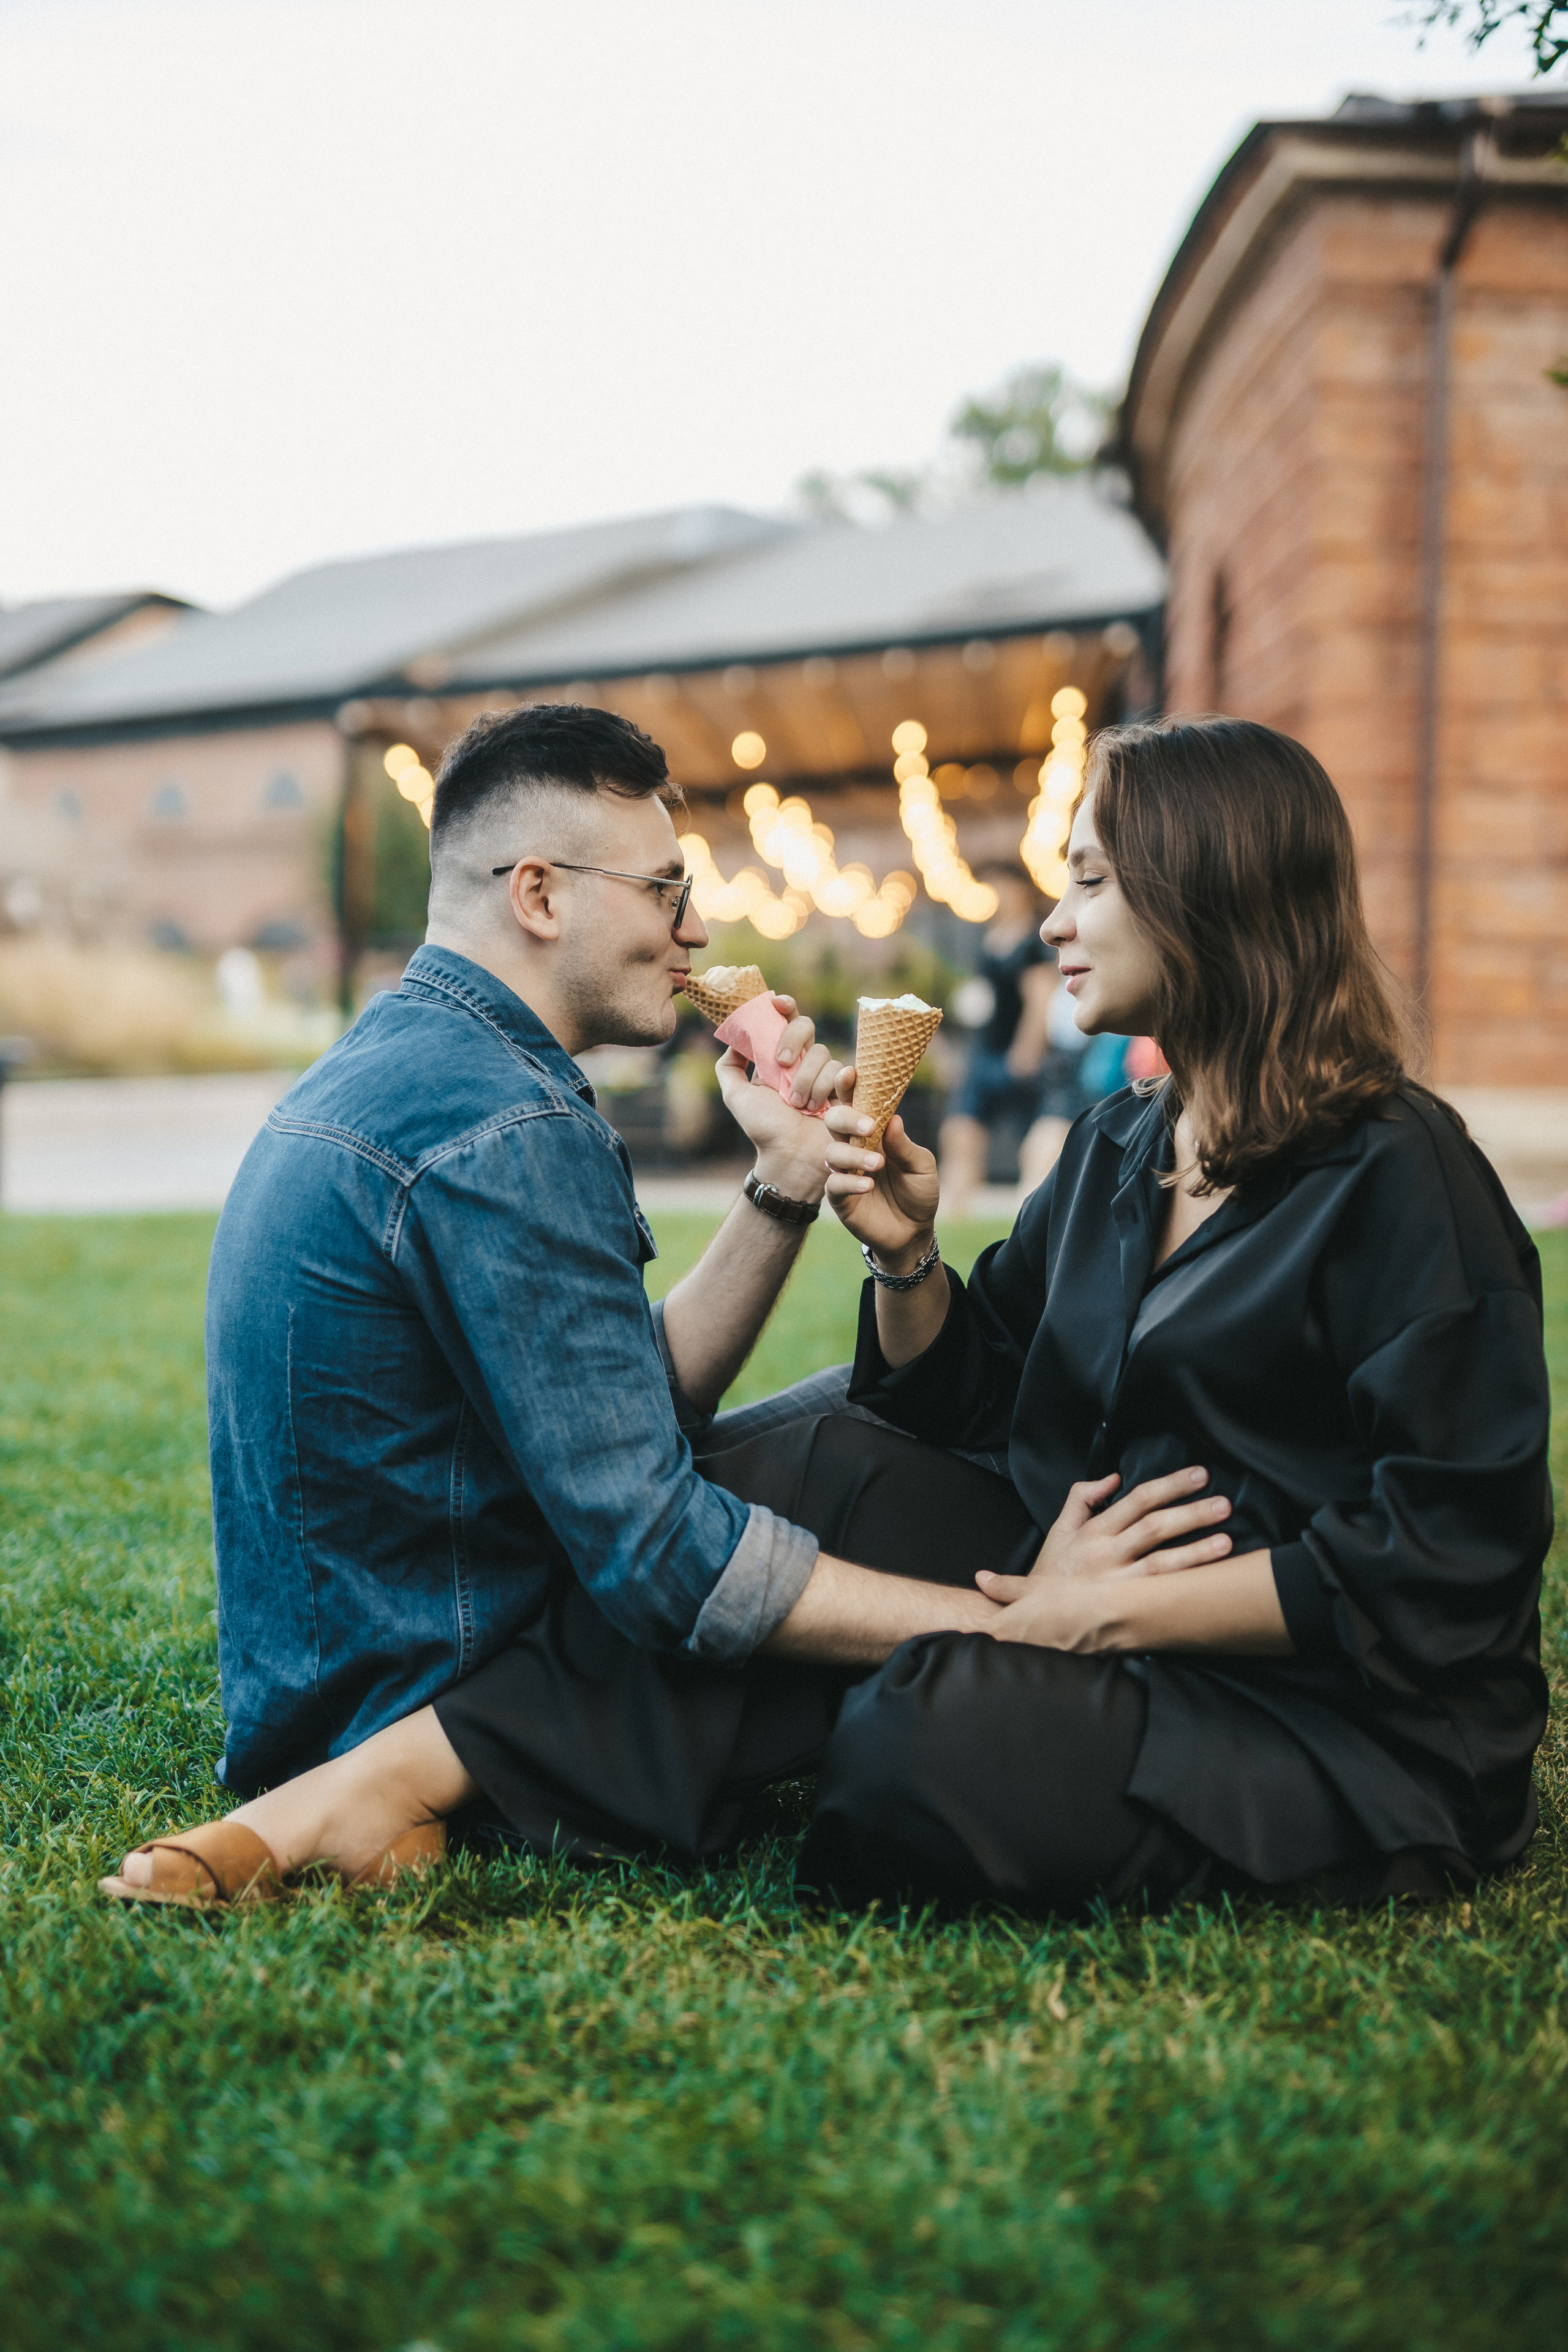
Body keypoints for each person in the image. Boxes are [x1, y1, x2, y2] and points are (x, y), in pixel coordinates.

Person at [102, 702, 1060, 1907]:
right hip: (444, 1682)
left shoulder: (409, 1067)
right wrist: (1017, 1630)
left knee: (853, 1420)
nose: (696, 928)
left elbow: (612, 1408)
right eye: (664, 891)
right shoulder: (510, 1123)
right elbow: (659, 1558)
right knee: (876, 1469)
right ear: (542, 896)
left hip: (334, 1675)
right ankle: (409, 1787)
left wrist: (782, 1183)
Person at [794, 715, 1551, 1915]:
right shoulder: (1118, 1140)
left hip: (1330, 1724)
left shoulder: (1399, 1176)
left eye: (1089, 880)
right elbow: (978, 1394)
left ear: (1207, 892)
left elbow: (1448, 1557)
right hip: (1101, 1618)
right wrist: (903, 1260)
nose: (1051, 924)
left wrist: (1094, 1614)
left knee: (911, 1743)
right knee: (818, 1466)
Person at [938, 864, 1057, 1215]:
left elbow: (1040, 998)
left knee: (1032, 1137)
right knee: (961, 1128)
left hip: (1016, 1054)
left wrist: (1028, 1050)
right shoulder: (989, 937)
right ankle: (956, 1211)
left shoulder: (1034, 942)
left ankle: (1034, 1212)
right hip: (984, 1051)